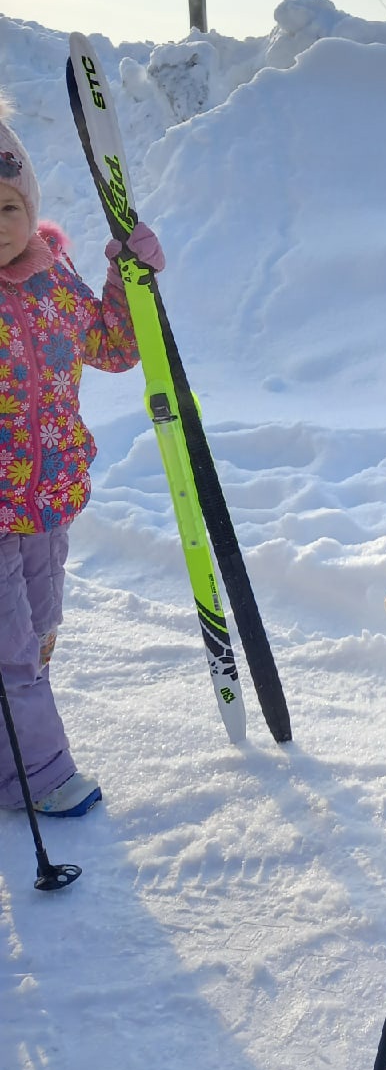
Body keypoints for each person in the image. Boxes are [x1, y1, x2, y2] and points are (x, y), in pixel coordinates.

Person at [0, 92, 162, 818]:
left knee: (37, 636)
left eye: (8, 208)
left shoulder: (55, 282)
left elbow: (116, 349)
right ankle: (36, 775)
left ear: (31, 209)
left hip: (51, 499)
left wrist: (131, 279)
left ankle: (12, 752)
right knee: (10, 652)